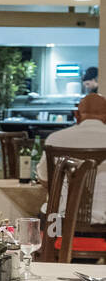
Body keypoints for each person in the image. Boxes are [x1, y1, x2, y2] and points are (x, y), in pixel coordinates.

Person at [36, 91, 106, 224]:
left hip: (58, 221)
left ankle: (49, 244)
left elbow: (44, 179)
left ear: (77, 115)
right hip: (103, 223)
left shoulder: (55, 139)